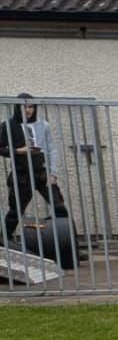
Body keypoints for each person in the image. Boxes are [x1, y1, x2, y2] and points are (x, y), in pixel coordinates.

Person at [3, 94, 69, 242]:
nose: (28, 110)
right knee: (16, 210)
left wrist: (53, 173)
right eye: (24, 106)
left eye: (31, 106)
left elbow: (51, 148)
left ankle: (67, 243)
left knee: (59, 206)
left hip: (41, 171)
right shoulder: (8, 125)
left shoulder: (43, 125)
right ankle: (3, 241)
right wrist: (18, 151)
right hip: (21, 173)